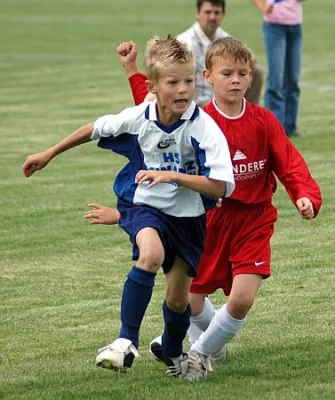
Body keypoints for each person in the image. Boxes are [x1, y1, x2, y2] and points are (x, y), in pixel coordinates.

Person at [89, 36, 322, 380]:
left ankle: (198, 353)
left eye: (243, 73)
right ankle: (211, 342)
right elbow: (153, 110)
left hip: (253, 219)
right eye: (227, 73)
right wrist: (133, 71)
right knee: (191, 302)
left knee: (241, 299)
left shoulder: (263, 121)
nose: (236, 80)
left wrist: (305, 194)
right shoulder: (193, 117)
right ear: (208, 76)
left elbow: (289, 163)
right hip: (206, 219)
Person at [22, 36, 235, 378]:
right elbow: (94, 128)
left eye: (189, 80)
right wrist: (48, 153)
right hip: (146, 205)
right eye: (173, 82)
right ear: (153, 86)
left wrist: (173, 176)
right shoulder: (141, 115)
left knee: (178, 301)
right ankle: (125, 340)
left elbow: (221, 185)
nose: (183, 89)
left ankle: (173, 351)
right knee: (149, 254)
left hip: (189, 218)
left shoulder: (203, 128)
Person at [177, 0, 264, 107]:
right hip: (198, 102)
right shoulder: (185, 43)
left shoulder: (221, 36)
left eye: (217, 12)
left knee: (257, 71)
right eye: (208, 12)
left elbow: (248, 56)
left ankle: (250, 114)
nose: (212, 17)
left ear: (223, 15)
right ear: (198, 13)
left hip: (222, 96)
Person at [251, 0, 305, 137]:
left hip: (295, 26)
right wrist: (263, 7)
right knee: (276, 79)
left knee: (293, 79)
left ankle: (290, 127)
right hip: (275, 26)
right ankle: (274, 129)